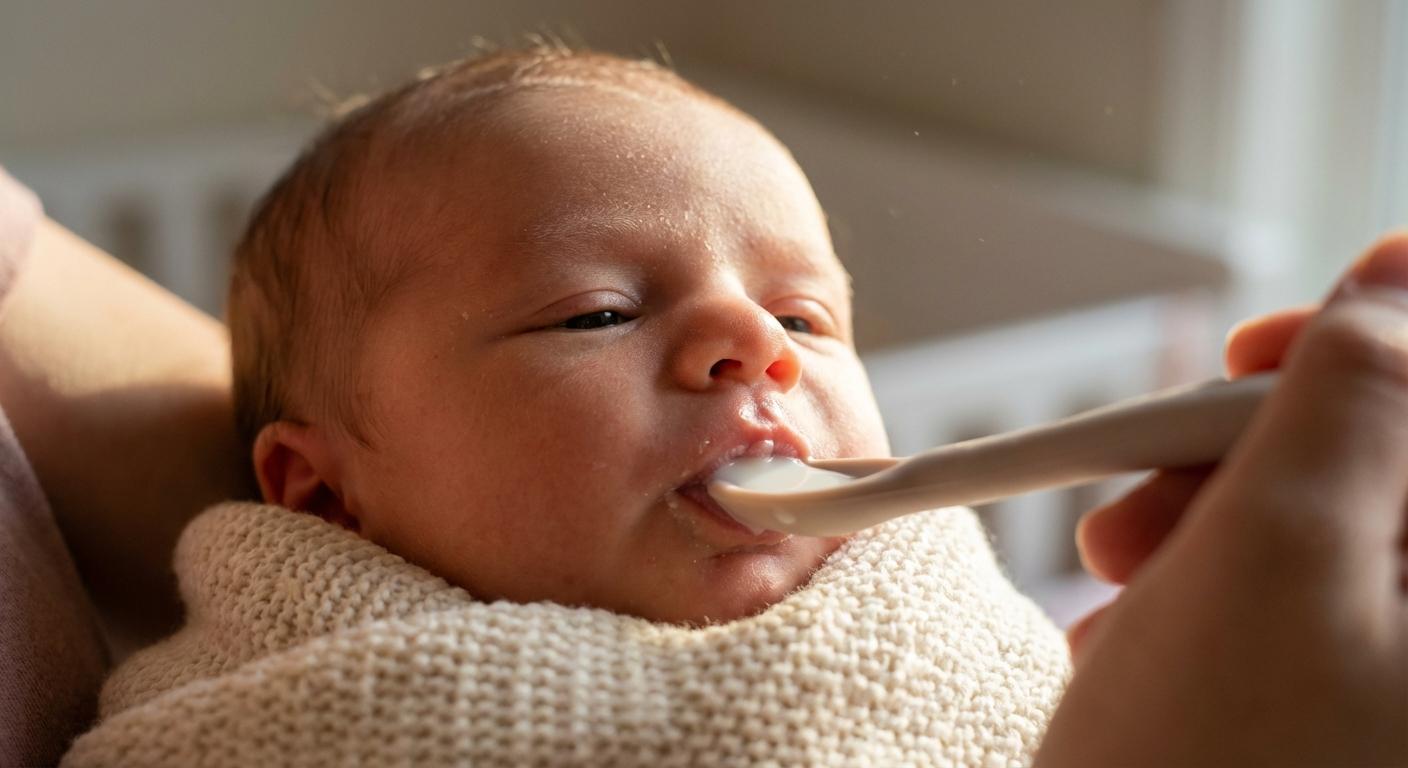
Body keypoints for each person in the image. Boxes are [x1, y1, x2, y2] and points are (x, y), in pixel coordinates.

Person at [0, 46, 1400, 766]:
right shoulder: (279, 714)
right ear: (319, 494)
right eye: (597, 313)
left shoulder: (931, 609)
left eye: (807, 318)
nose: (756, 346)